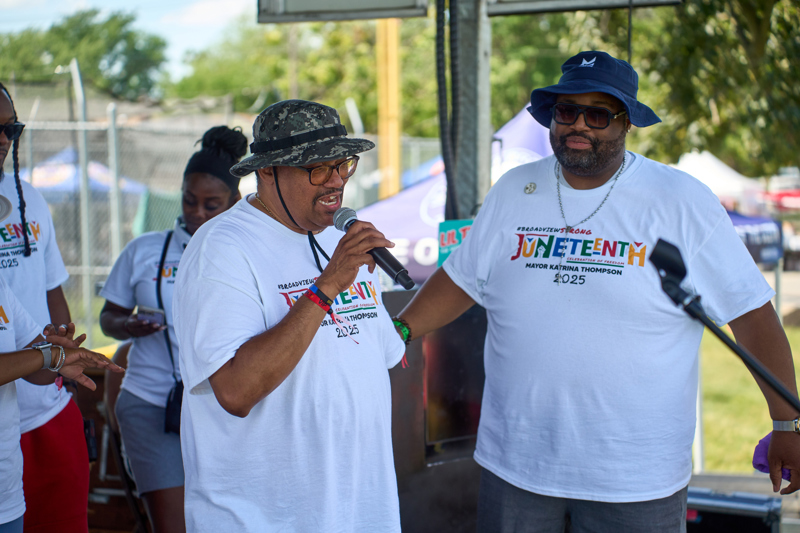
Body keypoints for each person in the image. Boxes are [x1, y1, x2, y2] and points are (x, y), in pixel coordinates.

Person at [395, 51, 800, 532]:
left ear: (626, 122)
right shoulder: (513, 190)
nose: (578, 125)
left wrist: (787, 423)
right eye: (566, 111)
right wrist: (398, 331)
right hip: (517, 464)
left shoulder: (681, 200)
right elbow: (462, 278)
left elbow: (751, 314)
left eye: (598, 115)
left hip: (634, 476)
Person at [172, 100, 405, 531]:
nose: (336, 181)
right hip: (268, 517)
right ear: (267, 171)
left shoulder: (339, 240)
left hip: (358, 512)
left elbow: (381, 358)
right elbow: (236, 391)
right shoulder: (222, 247)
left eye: (343, 165)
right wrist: (326, 287)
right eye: (318, 168)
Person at [99, 125, 247, 533]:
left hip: (225, 408)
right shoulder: (145, 250)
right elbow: (108, 318)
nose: (197, 213)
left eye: (211, 205)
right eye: (188, 200)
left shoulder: (245, 253)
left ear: (235, 202)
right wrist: (128, 325)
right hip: (152, 403)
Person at [0, 83, 93, 533]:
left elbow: (51, 287)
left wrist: (59, 356)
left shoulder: (28, 198)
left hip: (42, 408)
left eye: (11, 128)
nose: (4, 139)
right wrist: (48, 356)